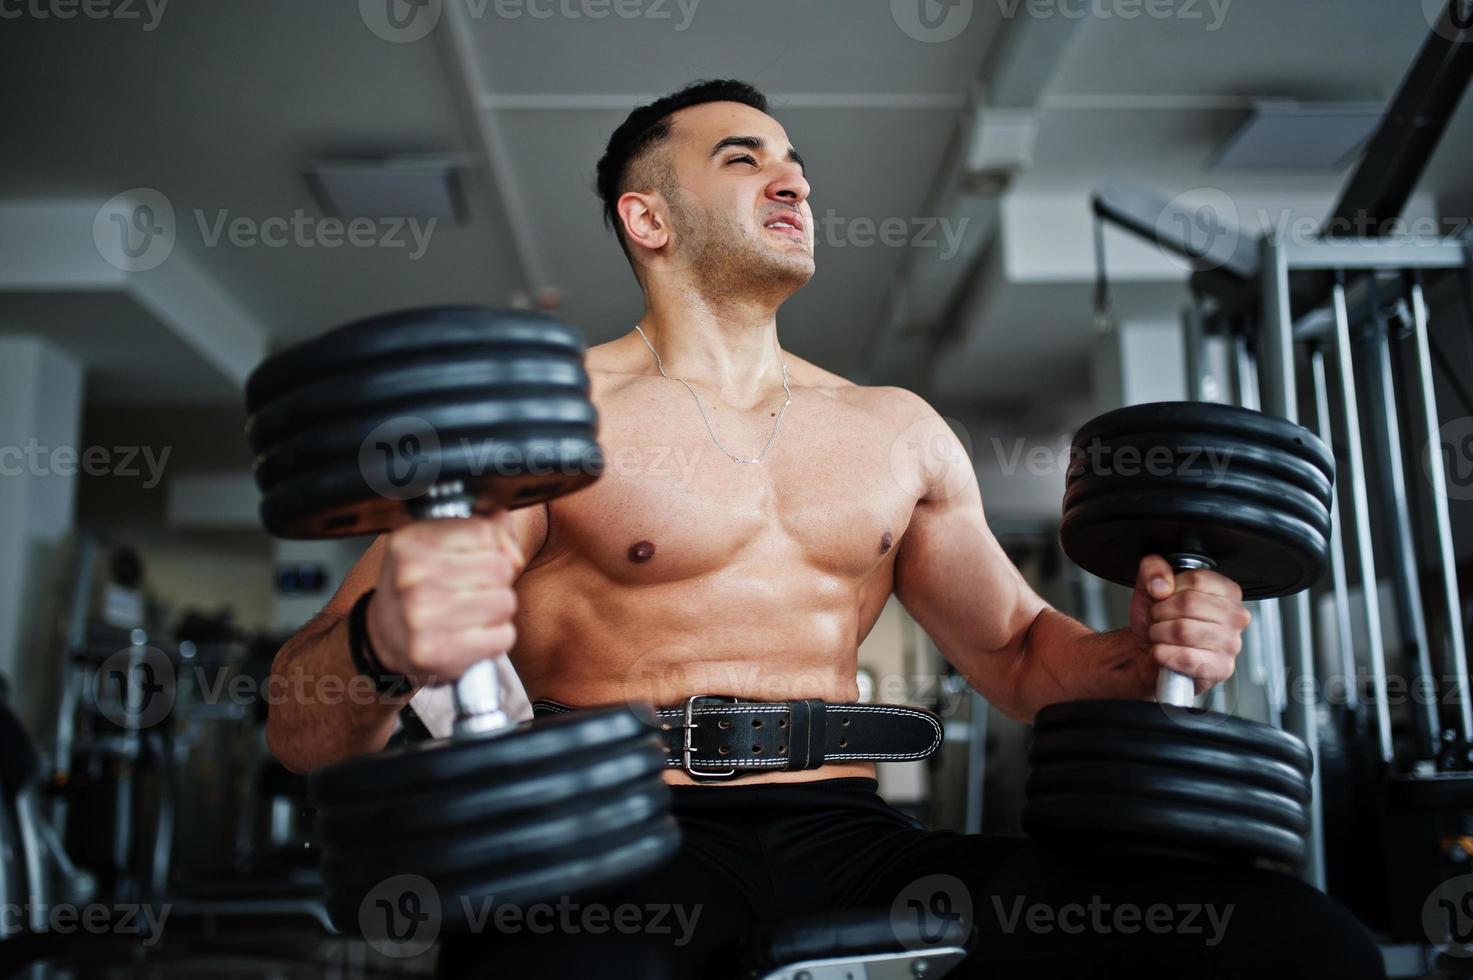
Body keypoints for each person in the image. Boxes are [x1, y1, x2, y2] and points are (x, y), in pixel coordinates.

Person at [265, 79, 1383, 979]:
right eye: (743, 157)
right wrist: (379, 644)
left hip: (858, 836)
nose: (791, 175)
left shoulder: (897, 431)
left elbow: (1021, 656)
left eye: (796, 159)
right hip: (623, 845)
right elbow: (299, 723)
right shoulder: (544, 421)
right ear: (645, 217)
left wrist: (1153, 651)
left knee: (1297, 938)